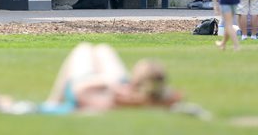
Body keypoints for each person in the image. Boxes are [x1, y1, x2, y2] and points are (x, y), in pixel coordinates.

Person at [42, 42, 182, 113]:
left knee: (83, 48)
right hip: (118, 82)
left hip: (95, 84)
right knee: (103, 49)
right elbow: (175, 96)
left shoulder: (114, 97)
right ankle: (53, 101)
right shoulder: (161, 96)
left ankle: (53, 101)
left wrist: (107, 82)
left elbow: (80, 92)